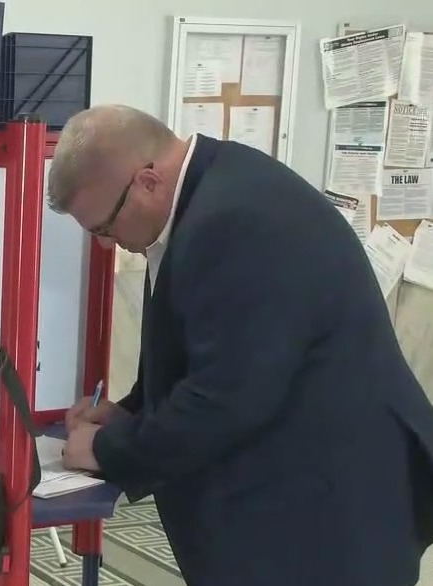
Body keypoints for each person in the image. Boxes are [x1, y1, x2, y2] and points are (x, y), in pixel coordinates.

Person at [49, 104, 433, 586]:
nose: (107, 245)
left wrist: (107, 449)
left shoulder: (231, 220)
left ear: (147, 181)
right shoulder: (210, 193)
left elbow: (226, 398)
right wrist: (133, 410)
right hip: (299, 496)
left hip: (327, 518)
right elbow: (212, 351)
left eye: (104, 228)